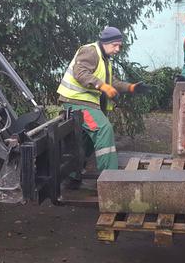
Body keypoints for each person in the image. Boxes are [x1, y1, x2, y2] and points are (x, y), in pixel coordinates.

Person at [57, 26, 150, 183]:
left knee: (86, 141)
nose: (118, 49)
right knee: (103, 130)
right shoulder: (91, 51)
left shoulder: (104, 59)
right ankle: (110, 180)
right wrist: (102, 86)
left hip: (85, 103)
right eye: (115, 45)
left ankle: (72, 176)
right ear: (105, 42)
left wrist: (131, 87)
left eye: (120, 45)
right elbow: (80, 73)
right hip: (76, 102)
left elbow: (111, 82)